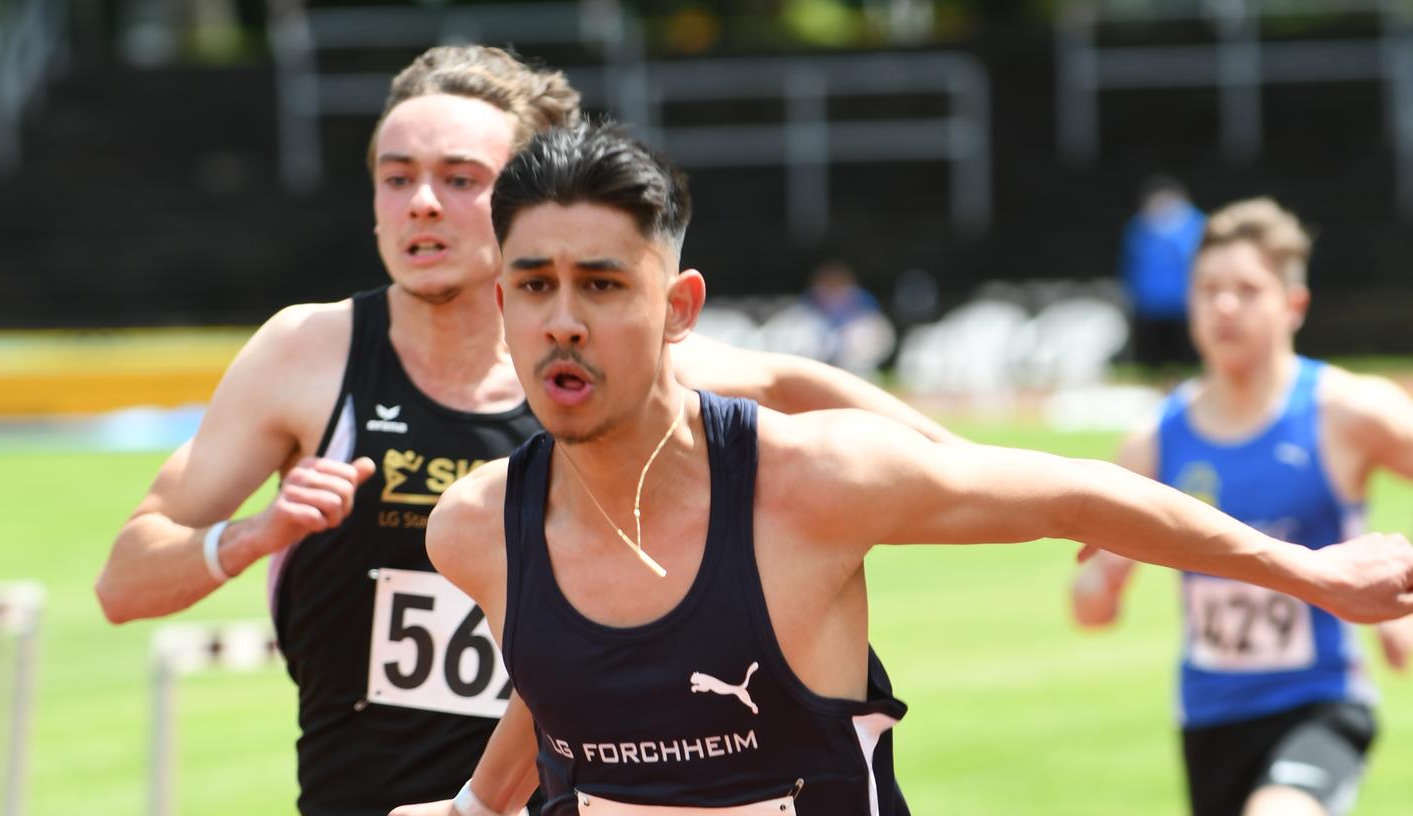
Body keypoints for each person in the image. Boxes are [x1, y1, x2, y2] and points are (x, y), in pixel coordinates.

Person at [409, 126, 1413, 816]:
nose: (563, 320)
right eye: (534, 286)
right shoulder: (474, 530)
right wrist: (472, 799)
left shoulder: (810, 483)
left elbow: (1069, 491)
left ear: (678, 307)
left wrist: (1313, 575)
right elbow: (568, 683)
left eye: (601, 284)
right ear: (501, 302)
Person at [93, 46, 963, 816]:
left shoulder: (606, 378)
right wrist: (254, 534)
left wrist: (965, 467)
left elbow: (788, 383)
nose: (423, 204)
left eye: (461, 179)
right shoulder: (306, 356)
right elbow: (123, 584)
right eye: (397, 178)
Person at [1072, 197, 1413, 816]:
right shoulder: (1154, 441)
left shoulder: (1347, 412)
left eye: (1247, 289)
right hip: (1210, 718)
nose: (1225, 306)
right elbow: (1088, 610)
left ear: (1294, 305)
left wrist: (1400, 590)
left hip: (1321, 704)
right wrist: (1108, 577)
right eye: (1208, 289)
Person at [1119, 174, 1204, 369]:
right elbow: (1130, 263)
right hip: (1149, 304)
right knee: (1151, 357)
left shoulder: (1196, 224)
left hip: (1183, 303)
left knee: (1185, 356)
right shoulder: (1138, 226)